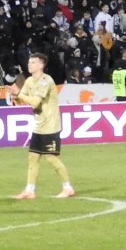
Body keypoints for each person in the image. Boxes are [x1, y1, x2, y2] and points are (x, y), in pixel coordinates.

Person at [14, 53, 75, 200]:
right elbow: (21, 98)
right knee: (33, 157)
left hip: (51, 125)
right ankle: (29, 190)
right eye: (29, 62)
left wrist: (19, 95)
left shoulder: (46, 81)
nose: (29, 64)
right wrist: (14, 95)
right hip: (39, 125)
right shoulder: (29, 81)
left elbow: (35, 102)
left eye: (33, 62)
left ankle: (68, 188)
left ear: (41, 65)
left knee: (51, 158)